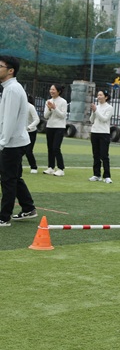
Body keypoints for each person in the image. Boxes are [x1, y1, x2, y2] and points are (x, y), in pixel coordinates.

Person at [0, 56, 37, 226]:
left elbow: (10, 119)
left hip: (12, 143)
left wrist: (2, 142)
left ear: (10, 70)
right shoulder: (10, 88)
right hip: (15, 141)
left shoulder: (12, 90)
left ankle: (4, 217)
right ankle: (28, 208)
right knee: (14, 177)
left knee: (8, 179)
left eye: (0, 66)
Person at [89, 90, 114, 184]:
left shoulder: (109, 107)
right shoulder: (97, 107)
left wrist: (96, 111)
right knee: (95, 154)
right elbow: (91, 120)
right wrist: (93, 112)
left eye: (101, 95)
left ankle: (107, 176)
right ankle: (96, 174)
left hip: (104, 133)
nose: (98, 96)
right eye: (98, 95)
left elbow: (104, 119)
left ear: (105, 97)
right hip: (94, 132)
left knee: (104, 155)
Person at [43, 83, 68, 177]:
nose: (51, 91)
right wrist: (49, 109)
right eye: (51, 89)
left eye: (53, 89)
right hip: (50, 126)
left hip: (59, 127)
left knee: (56, 148)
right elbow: (45, 116)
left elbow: (62, 115)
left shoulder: (63, 102)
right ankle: (51, 167)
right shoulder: (48, 101)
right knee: (50, 148)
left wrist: (54, 108)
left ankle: (61, 168)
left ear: (59, 91)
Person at [24, 95, 40, 174]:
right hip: (21, 132)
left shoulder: (30, 107)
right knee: (18, 151)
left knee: (28, 151)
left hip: (31, 132)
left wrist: (29, 127)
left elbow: (37, 119)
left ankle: (33, 167)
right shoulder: (17, 106)